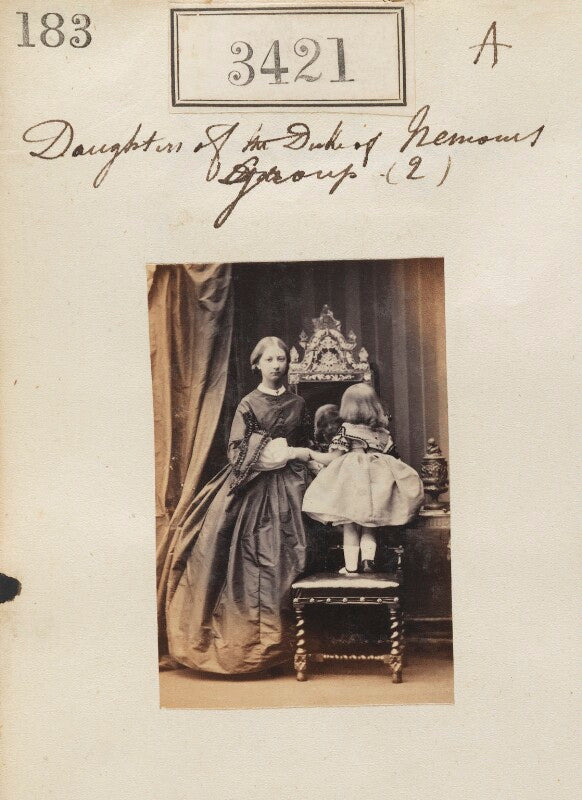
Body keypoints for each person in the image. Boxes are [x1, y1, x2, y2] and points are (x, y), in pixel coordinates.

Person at [164, 337, 312, 674]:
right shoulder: (248, 403)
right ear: (256, 364)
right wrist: (283, 451)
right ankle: (245, 649)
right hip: (250, 488)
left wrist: (303, 456)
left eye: (281, 359)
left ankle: (287, 648)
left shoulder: (298, 403)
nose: (276, 365)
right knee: (248, 561)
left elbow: (307, 443)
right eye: (269, 359)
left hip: (292, 488)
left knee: (288, 560)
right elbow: (237, 451)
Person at [303, 383, 424, 574]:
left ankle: (351, 567)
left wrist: (310, 454)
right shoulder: (383, 433)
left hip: (354, 484)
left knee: (351, 524)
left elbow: (333, 457)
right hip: (376, 486)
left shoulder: (347, 429)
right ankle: (368, 561)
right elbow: (395, 458)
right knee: (369, 525)